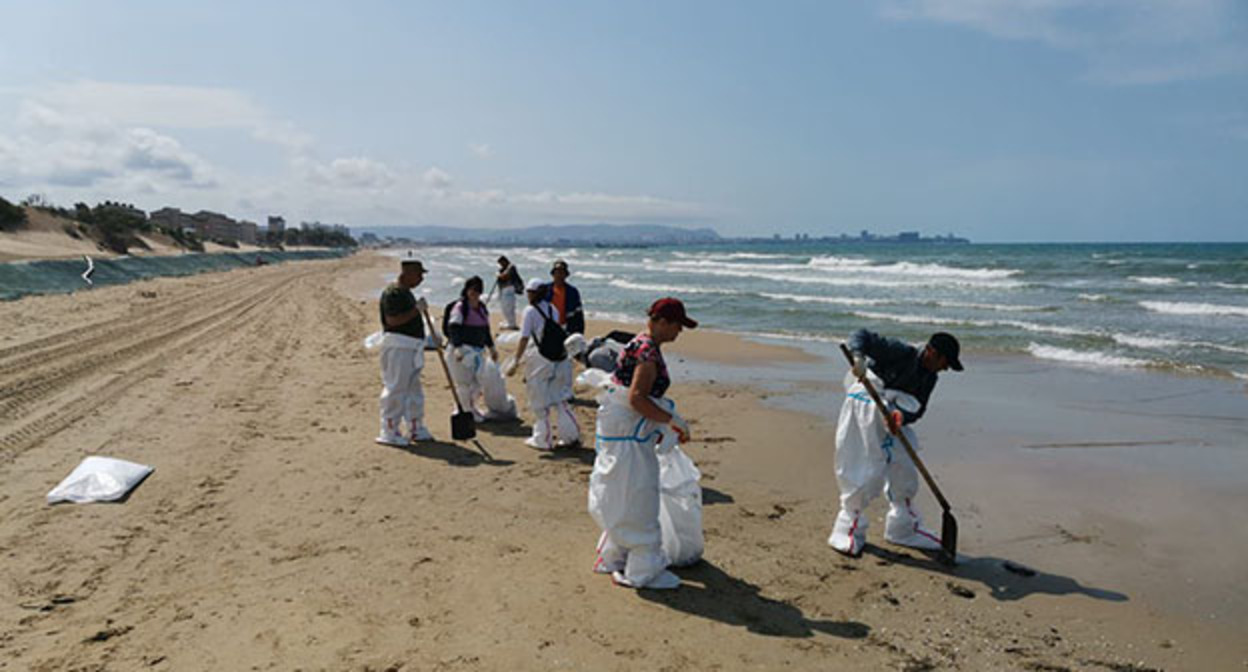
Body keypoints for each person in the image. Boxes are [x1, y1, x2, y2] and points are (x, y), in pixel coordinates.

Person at [587, 297, 697, 590]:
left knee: (619, 495)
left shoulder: (637, 342)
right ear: (662, 322)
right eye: (677, 325)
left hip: (619, 435)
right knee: (639, 498)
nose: (679, 332)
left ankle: (614, 555)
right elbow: (637, 398)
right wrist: (671, 421)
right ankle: (642, 569)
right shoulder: (647, 353)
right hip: (629, 440)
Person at [828, 329, 963, 557]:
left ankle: (902, 527)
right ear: (932, 352)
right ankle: (848, 526)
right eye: (945, 362)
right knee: (867, 468)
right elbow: (861, 336)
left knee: (905, 465)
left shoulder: (930, 378)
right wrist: (858, 358)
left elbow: (918, 409)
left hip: (892, 414)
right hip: (865, 403)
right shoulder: (901, 352)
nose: (945, 368)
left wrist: (901, 416)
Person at [506, 278, 580, 449]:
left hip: (539, 358)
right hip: (558, 358)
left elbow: (524, 337)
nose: (528, 295)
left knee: (539, 401)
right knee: (560, 399)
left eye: (530, 292)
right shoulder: (553, 309)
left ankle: (543, 440)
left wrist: (516, 360)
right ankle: (570, 436)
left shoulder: (530, 311)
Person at [375, 257, 434, 447]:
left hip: (412, 347)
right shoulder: (393, 293)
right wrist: (416, 310)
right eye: (419, 275)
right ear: (407, 273)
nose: (421, 279)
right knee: (396, 387)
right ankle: (389, 430)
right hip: (398, 346)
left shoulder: (407, 293)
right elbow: (392, 321)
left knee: (413, 389)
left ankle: (415, 426)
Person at [444, 276, 517, 422]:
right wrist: (458, 347)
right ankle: (464, 411)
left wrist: (491, 347)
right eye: (472, 289)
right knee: (464, 383)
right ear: (466, 290)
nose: (475, 293)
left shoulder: (481, 308)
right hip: (462, 352)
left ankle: (471, 408)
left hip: (477, 351)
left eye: (478, 290)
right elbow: (453, 327)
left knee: (476, 383)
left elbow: (485, 330)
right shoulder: (460, 307)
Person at [541, 259, 585, 335]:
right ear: (553, 274)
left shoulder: (572, 291)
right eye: (557, 272)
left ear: (566, 275)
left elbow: (578, 313)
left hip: (566, 327)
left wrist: (579, 332)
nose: (559, 275)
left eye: (562, 273)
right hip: (549, 326)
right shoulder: (545, 290)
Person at [494, 256, 523, 330]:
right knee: (504, 307)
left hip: (509, 289)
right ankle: (509, 322)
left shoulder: (511, 267)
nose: (501, 265)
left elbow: (504, 276)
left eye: (501, 263)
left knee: (508, 307)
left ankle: (512, 324)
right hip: (503, 290)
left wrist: (498, 275)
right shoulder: (502, 269)